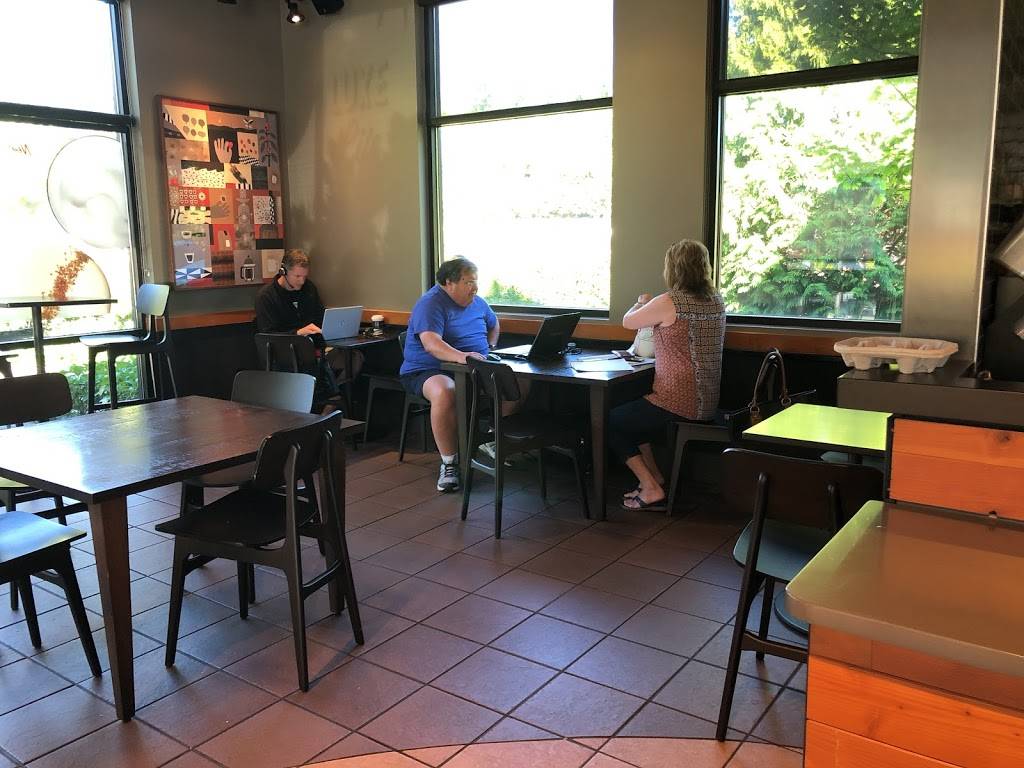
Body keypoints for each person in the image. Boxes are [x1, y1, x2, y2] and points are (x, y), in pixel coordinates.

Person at [609, 239, 725, 511]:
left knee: (612, 420)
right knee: (634, 412)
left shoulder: (669, 301)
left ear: (673, 269)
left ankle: (650, 487)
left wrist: (639, 303)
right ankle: (654, 477)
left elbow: (627, 322)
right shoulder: (716, 300)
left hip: (677, 401)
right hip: (708, 400)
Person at [401, 257, 499, 492]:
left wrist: (491, 347)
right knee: (445, 391)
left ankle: (490, 439)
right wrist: (462, 356)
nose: (474, 288)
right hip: (428, 370)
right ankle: (449, 463)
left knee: (521, 383)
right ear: (448, 282)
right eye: (469, 282)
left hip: (472, 367)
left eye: (476, 282)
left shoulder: (477, 302)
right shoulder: (430, 304)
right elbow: (431, 344)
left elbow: (494, 324)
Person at [254, 248, 362, 387]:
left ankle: (328, 398)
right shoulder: (266, 297)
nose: (302, 281)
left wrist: (331, 329)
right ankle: (324, 394)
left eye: (305, 276)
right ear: (283, 271)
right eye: (297, 276)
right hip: (285, 356)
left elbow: (320, 316)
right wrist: (298, 333)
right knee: (317, 369)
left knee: (353, 358)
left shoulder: (309, 288)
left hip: (314, 350)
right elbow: (268, 336)